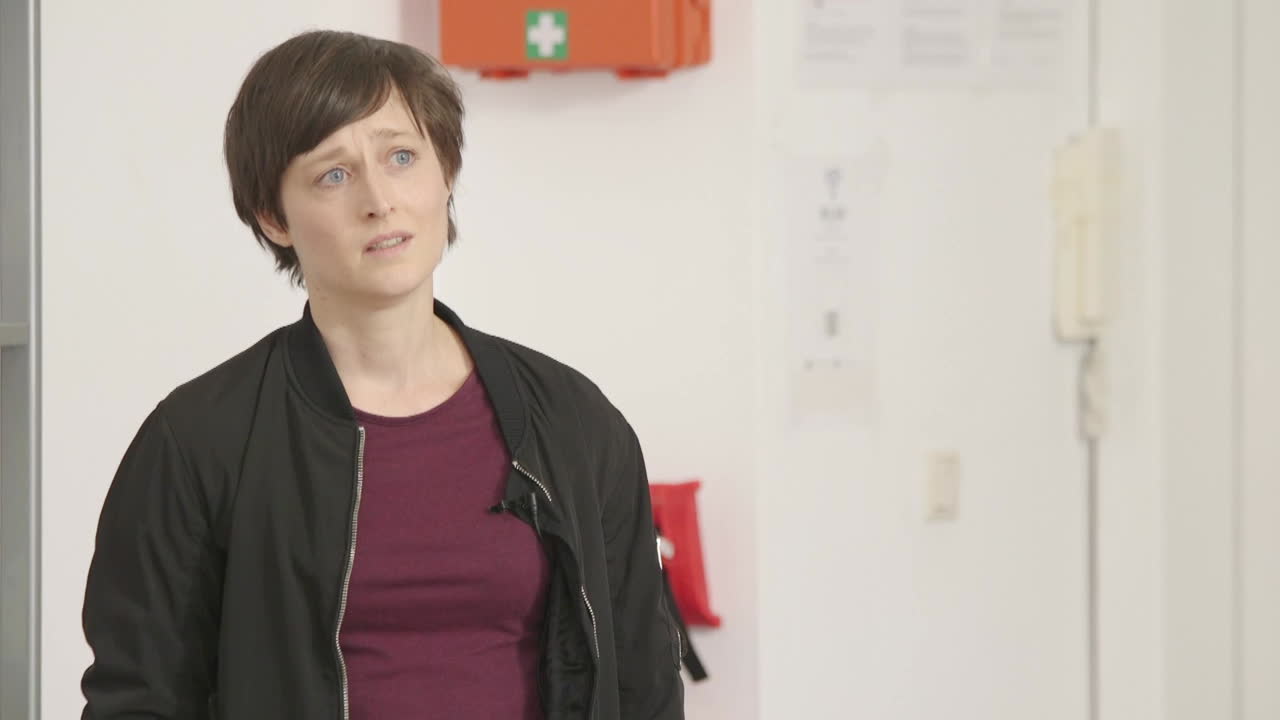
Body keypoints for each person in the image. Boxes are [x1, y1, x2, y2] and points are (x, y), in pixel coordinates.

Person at [80, 29, 684, 720]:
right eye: (332, 175)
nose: (379, 200)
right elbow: (140, 699)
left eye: (401, 157)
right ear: (273, 217)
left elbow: (643, 683)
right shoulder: (199, 441)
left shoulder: (573, 420)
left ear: (445, 172)